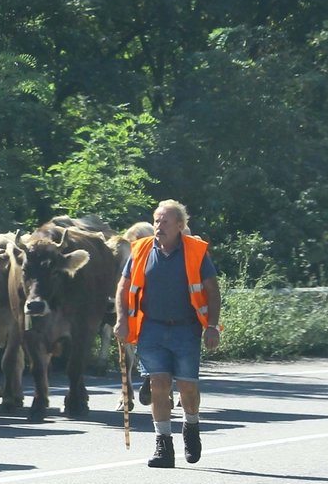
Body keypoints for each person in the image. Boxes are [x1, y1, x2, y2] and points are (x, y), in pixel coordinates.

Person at [114, 200, 221, 468]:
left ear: (180, 226)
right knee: (159, 385)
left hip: (186, 329)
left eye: (165, 221)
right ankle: (163, 445)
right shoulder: (140, 250)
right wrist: (121, 321)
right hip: (151, 328)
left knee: (187, 388)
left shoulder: (196, 251)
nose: (158, 226)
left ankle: (191, 427)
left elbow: (212, 290)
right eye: (157, 220)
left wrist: (212, 326)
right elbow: (123, 287)